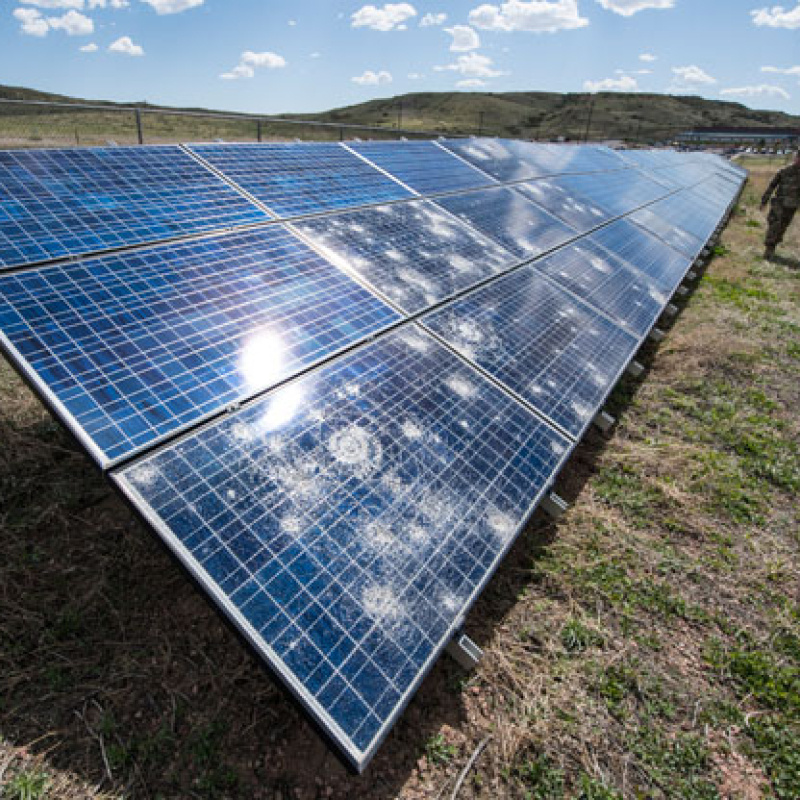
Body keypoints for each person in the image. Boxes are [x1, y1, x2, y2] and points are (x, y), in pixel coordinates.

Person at [761, 150, 800, 261]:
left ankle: (773, 246)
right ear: (795, 158)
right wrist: (764, 201)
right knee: (774, 225)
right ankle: (769, 248)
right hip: (779, 203)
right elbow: (772, 186)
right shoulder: (784, 171)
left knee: (783, 227)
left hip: (792, 206)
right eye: (798, 158)